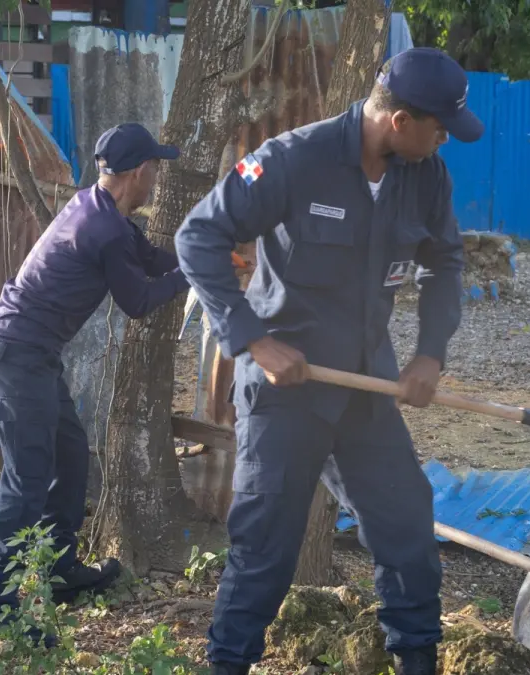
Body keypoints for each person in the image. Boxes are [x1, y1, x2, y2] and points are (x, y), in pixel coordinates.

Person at [173, 47, 479, 675]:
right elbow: (197, 237)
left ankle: (416, 661)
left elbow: (445, 263)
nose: (445, 139)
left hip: (365, 384)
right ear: (400, 121)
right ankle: (227, 665)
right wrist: (254, 340)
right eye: (440, 127)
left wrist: (429, 354)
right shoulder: (292, 160)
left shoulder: (426, 176)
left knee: (407, 527)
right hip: (287, 390)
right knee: (265, 546)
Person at [0, 122, 190, 640]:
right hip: (16, 355)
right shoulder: (103, 228)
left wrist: (204, 259)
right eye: (155, 169)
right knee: (26, 478)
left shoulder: (99, 208)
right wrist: (195, 276)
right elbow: (139, 301)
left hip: (32, 355)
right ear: (139, 171)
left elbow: (151, 260)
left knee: (69, 456)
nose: (156, 179)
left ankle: (59, 570)